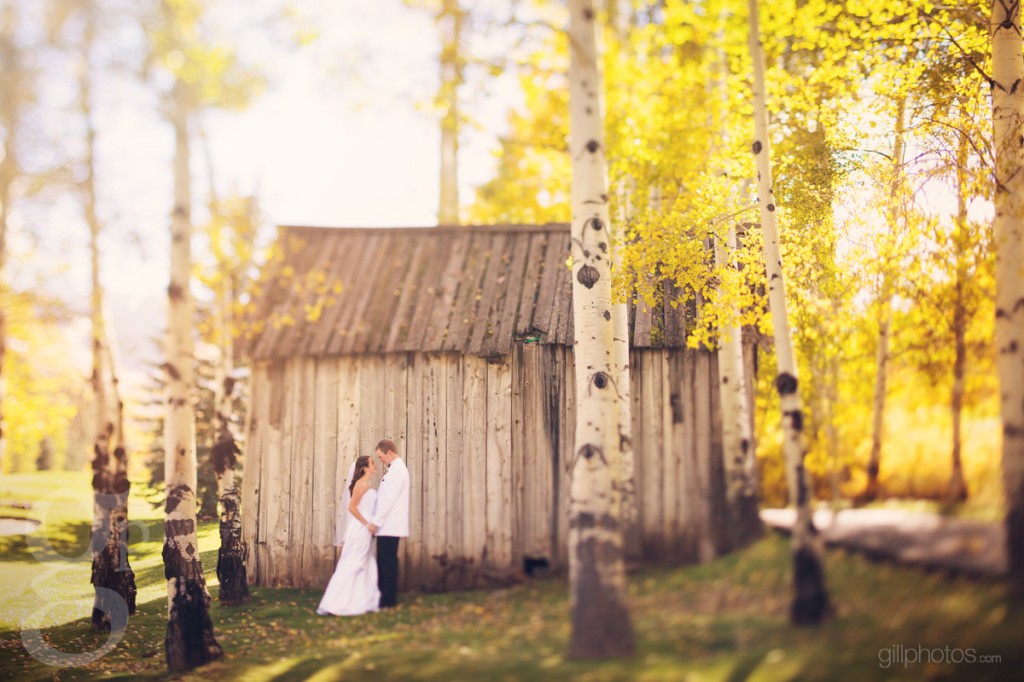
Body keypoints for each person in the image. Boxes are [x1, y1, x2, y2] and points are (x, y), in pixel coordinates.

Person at [317, 455, 380, 616]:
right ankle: (335, 603)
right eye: (372, 463)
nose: (375, 465)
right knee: (354, 562)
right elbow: (352, 508)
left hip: (366, 528)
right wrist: (367, 524)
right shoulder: (361, 485)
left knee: (366, 563)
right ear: (365, 468)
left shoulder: (366, 484)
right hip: (360, 529)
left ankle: (361, 601)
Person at [369, 438, 409, 609]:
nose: (380, 460)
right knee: (385, 562)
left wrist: (375, 522)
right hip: (388, 526)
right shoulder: (395, 470)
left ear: (389, 453)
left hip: (389, 526)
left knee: (388, 563)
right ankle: (385, 598)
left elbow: (388, 500)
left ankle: (388, 601)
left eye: (381, 457)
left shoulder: (397, 471)